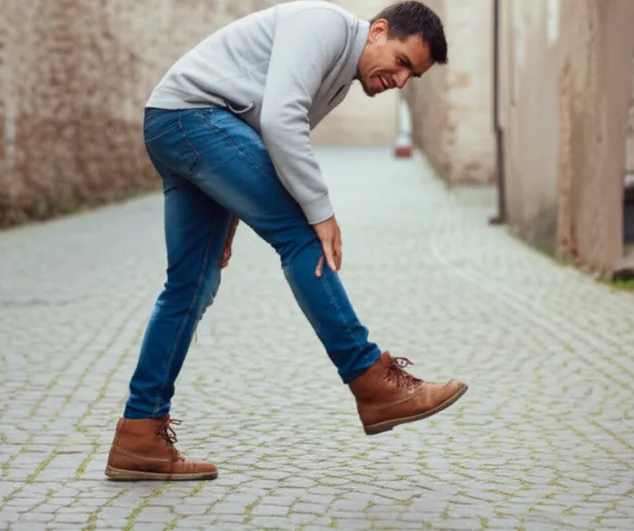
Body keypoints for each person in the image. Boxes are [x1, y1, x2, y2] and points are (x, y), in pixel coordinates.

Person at [106, 0, 467, 481]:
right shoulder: (323, 25)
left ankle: (138, 434)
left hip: (176, 121)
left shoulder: (340, 77)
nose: (400, 81)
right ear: (379, 31)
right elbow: (279, 122)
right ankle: (372, 381)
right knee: (302, 235)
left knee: (190, 286)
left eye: (412, 76)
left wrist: (231, 214)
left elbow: (256, 139)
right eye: (402, 63)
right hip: (194, 117)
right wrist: (322, 211)